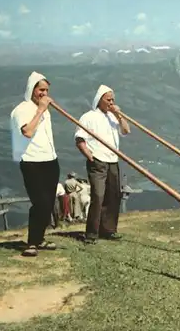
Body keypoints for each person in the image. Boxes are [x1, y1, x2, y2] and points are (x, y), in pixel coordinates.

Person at [10, 71, 60, 257]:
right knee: (40, 202)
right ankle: (32, 243)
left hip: (50, 160)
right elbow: (28, 132)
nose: (44, 94)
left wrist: (42, 109)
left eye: (46, 90)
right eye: (41, 90)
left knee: (48, 204)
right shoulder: (21, 110)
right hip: (31, 161)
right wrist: (40, 110)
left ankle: (40, 239)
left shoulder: (44, 110)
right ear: (32, 89)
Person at [74, 84, 130, 245]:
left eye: (113, 99)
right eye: (108, 100)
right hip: (97, 161)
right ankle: (91, 233)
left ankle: (109, 230)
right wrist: (89, 156)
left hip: (113, 160)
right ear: (99, 100)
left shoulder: (113, 116)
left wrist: (119, 115)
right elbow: (79, 139)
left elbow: (126, 131)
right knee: (98, 196)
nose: (111, 103)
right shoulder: (88, 117)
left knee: (113, 196)